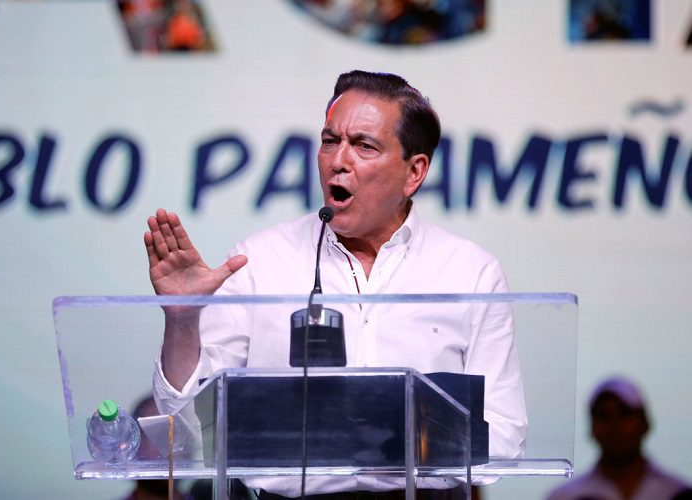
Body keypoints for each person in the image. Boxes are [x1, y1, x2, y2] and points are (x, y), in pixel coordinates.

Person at [145, 70, 527, 498]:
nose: (338, 160)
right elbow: (192, 423)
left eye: (364, 146)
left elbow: (504, 435)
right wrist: (182, 321)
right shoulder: (260, 260)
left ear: (414, 172)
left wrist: (399, 435)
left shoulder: (470, 272)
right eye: (330, 141)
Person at [546, 376, 691, 500]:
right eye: (603, 416)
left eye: (625, 413)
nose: (614, 425)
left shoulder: (675, 494)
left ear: (645, 424)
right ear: (592, 428)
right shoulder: (566, 496)